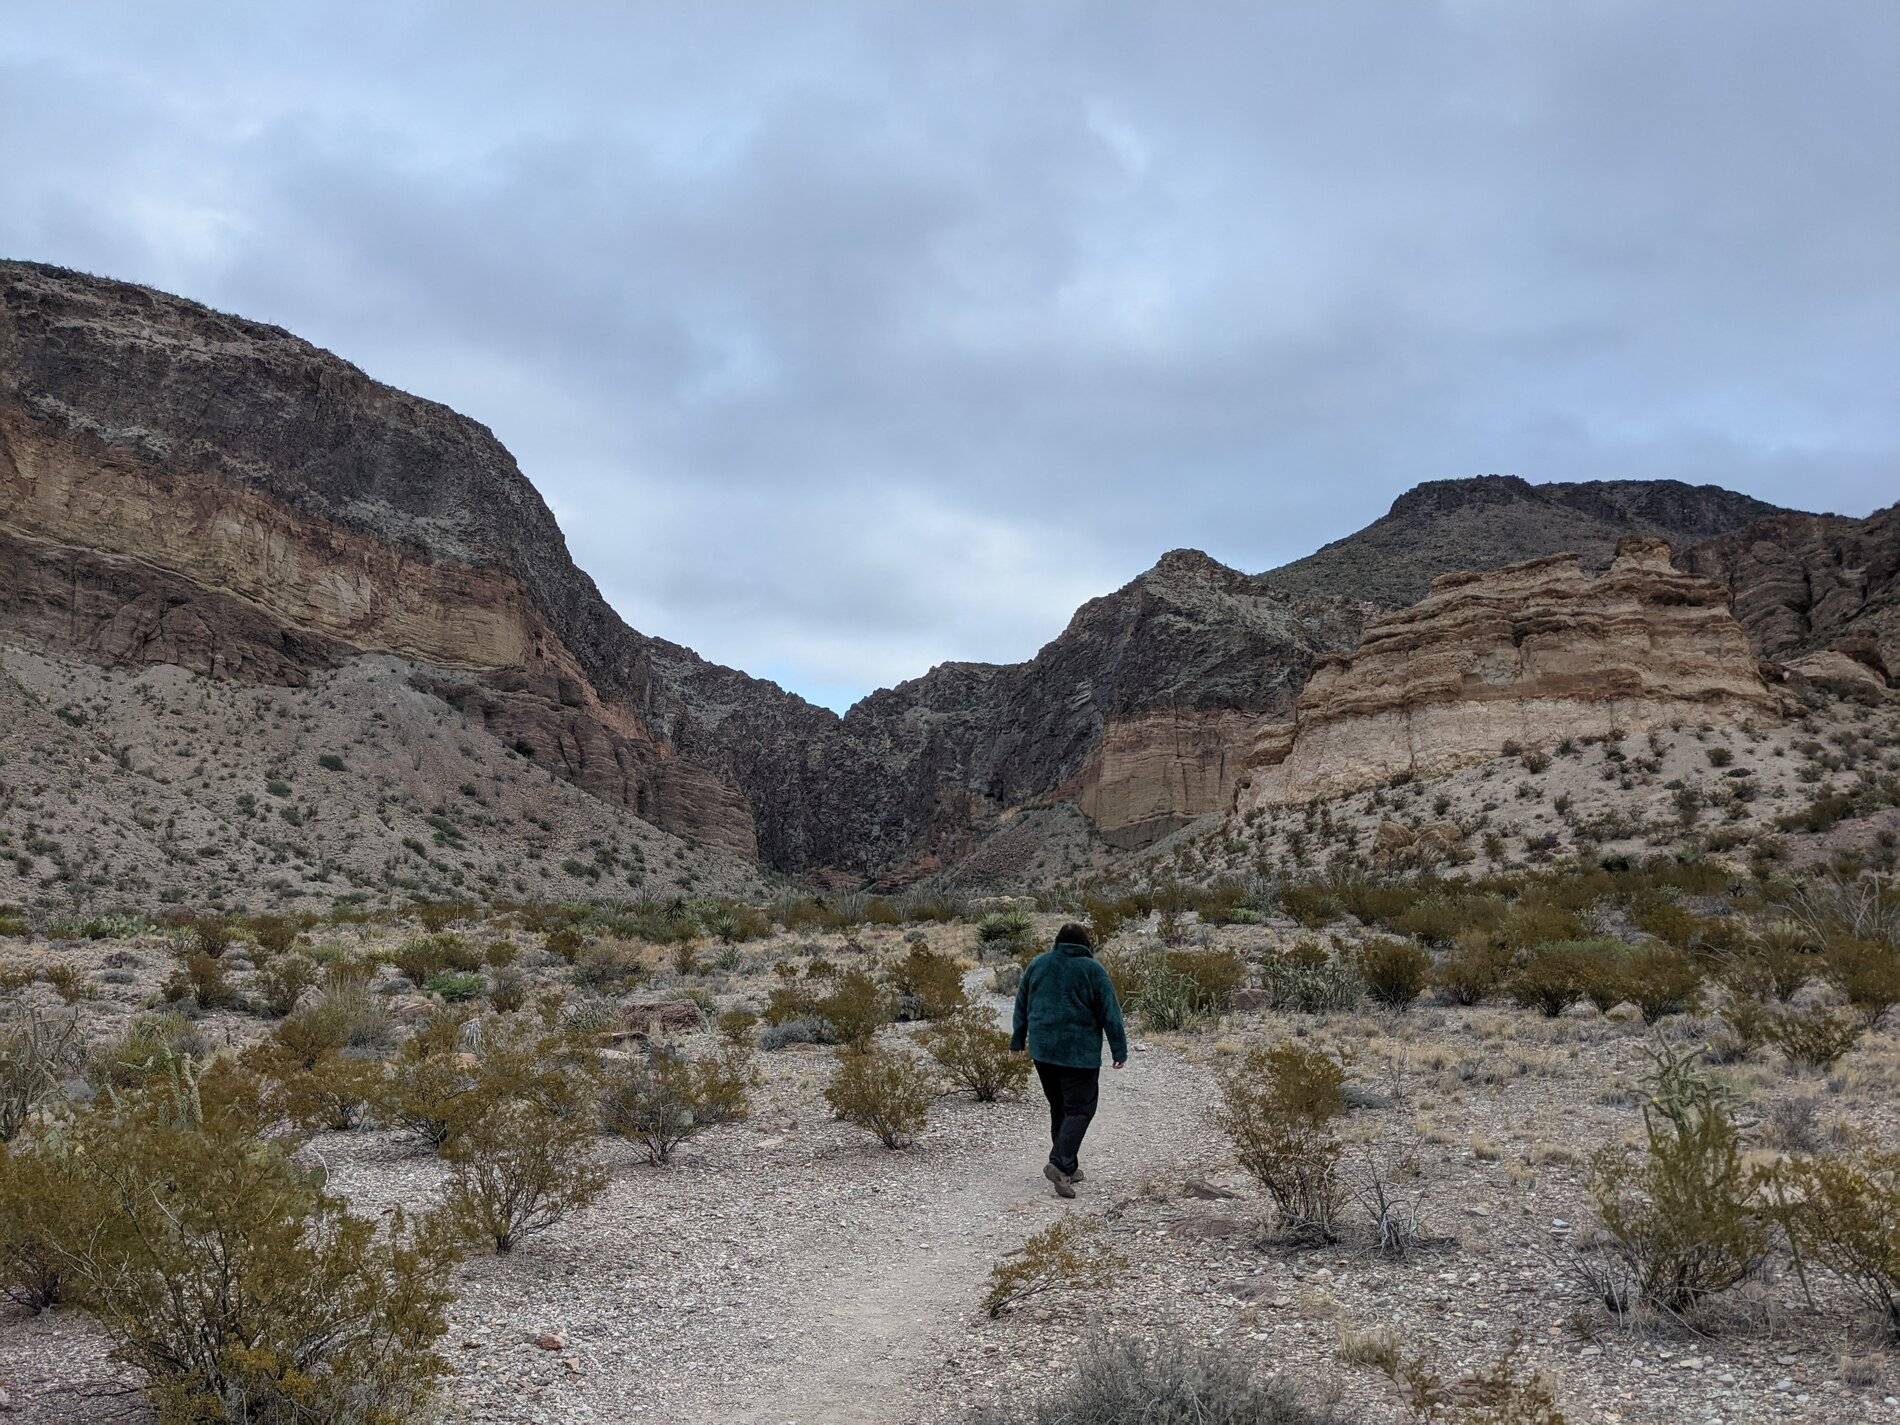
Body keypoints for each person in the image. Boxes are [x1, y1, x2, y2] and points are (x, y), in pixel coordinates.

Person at [1008, 921, 1127, 1198]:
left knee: (1060, 1106)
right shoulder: (1093, 970)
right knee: (1081, 1109)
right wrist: (1119, 1050)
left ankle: (1069, 1167)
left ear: (1058, 942)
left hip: (1043, 1052)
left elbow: (1021, 1005)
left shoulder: (1038, 964)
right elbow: (1110, 1012)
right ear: (1086, 944)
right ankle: (1059, 1163)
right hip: (1078, 1054)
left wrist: (1017, 1041)